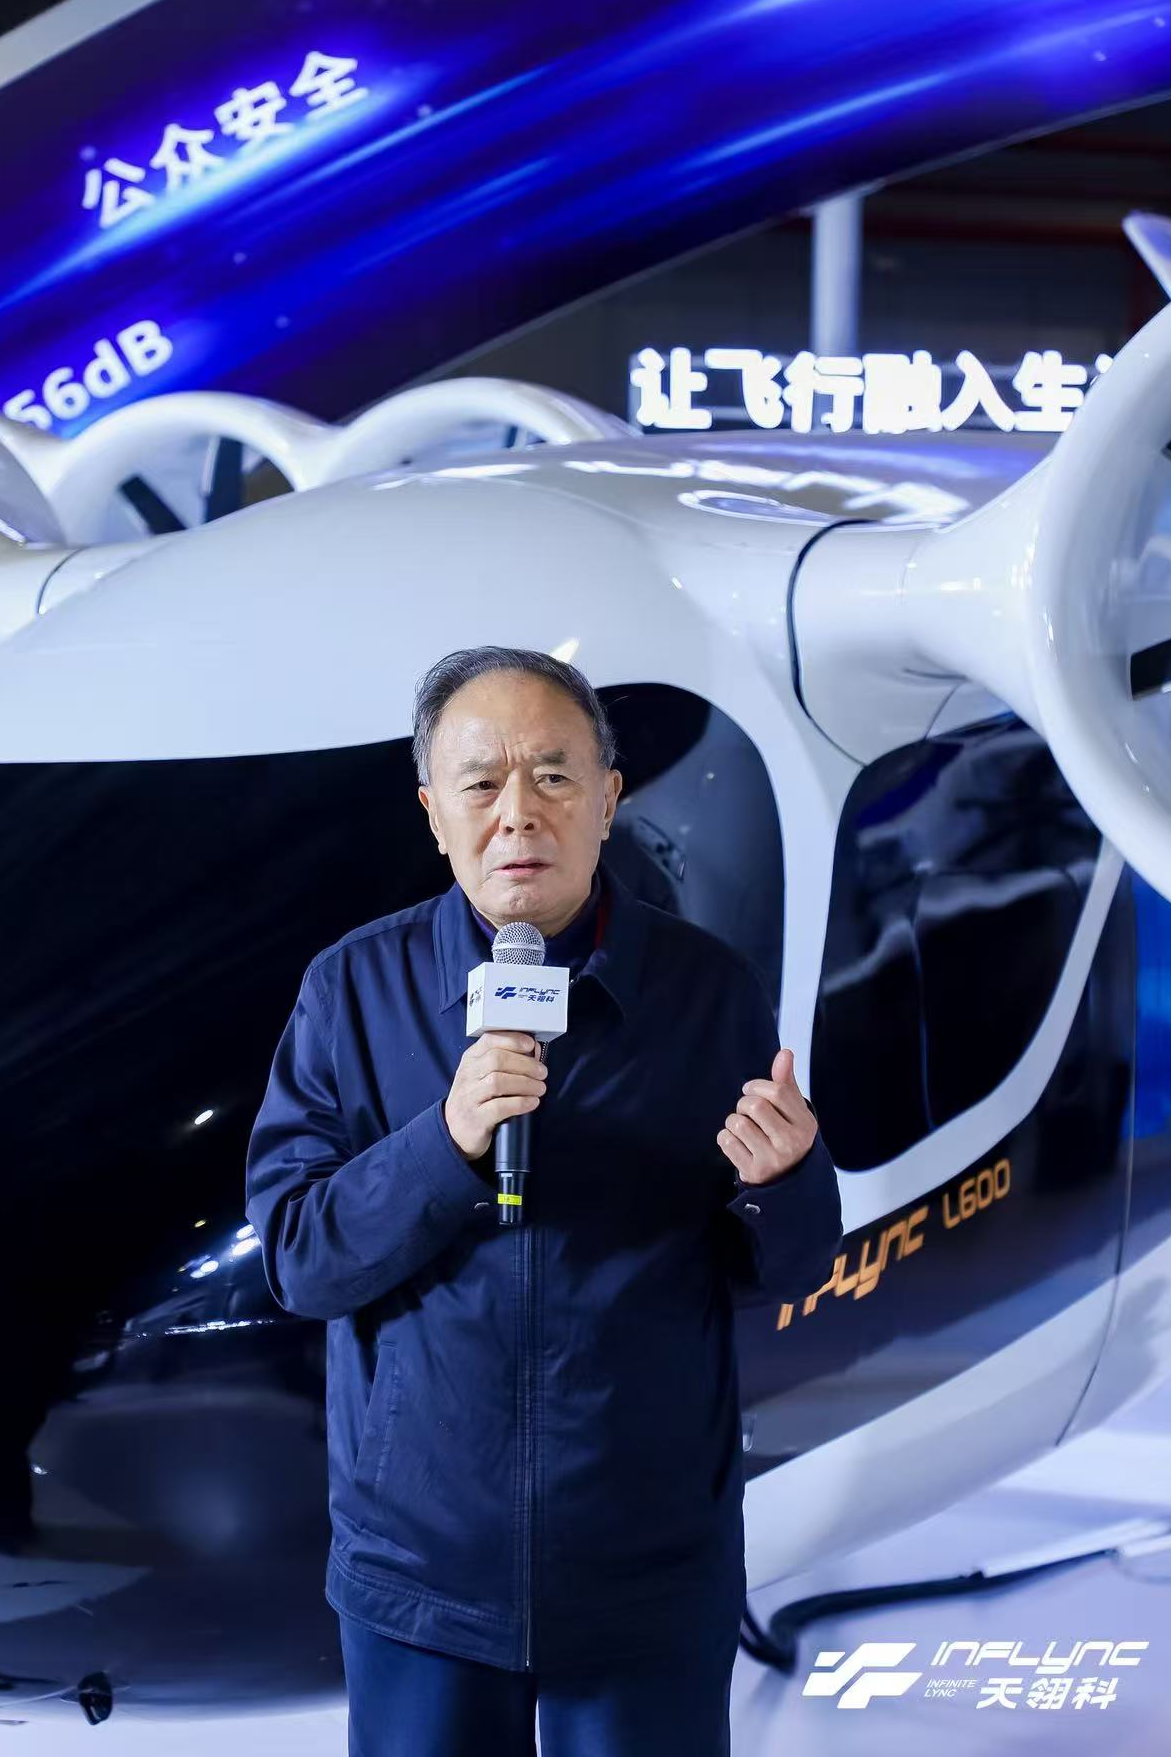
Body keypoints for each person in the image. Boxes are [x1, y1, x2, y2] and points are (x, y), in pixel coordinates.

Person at [244, 645, 843, 1756]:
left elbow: (790, 1266)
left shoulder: (705, 988)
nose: (518, 812)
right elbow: (299, 1259)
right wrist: (446, 1143)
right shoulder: (351, 989)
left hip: (646, 1576)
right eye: (480, 782)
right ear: (433, 813)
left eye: (554, 776)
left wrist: (785, 1182)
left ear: (608, 800)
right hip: (421, 1580)